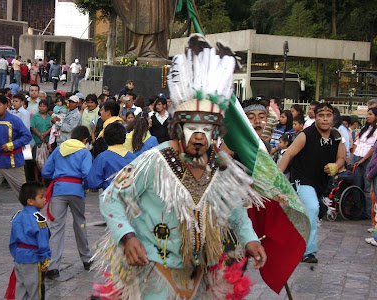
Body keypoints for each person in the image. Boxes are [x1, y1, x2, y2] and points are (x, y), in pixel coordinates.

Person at [92, 36, 266, 299]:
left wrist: (250, 239)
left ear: (216, 132)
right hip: (153, 270)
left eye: (206, 130)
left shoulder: (221, 167)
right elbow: (112, 197)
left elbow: (235, 210)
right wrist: (127, 237)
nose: (199, 136)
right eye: (193, 129)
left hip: (199, 276)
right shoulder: (154, 161)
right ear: (178, 128)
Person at [278, 103, 346, 263]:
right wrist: (276, 176)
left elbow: (342, 157)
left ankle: (290, 244)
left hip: (320, 183)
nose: (324, 119)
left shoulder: (337, 136)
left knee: (304, 213)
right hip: (302, 180)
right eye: (321, 115)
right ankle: (308, 251)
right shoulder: (305, 135)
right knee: (312, 209)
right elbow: (288, 155)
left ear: (333, 118)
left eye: (328, 116)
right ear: (315, 117)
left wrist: (337, 165)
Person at [41, 126, 93, 279]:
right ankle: (86, 259)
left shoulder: (59, 149)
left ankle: (52, 266)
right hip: (76, 190)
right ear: (85, 139)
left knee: (56, 227)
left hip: (58, 190)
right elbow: (87, 173)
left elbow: (45, 171)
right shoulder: (85, 152)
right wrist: (86, 187)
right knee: (80, 223)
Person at [7, 182, 51, 300]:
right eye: (41, 197)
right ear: (30, 201)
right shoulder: (39, 219)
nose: (45, 199)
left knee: (20, 289)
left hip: (20, 258)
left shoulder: (17, 216)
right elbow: (43, 242)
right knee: (35, 291)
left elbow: (13, 241)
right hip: (33, 258)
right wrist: (45, 260)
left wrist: (17, 254)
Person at [87, 123, 135, 190]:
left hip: (110, 197)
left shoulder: (102, 157)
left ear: (105, 139)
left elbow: (93, 183)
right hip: (130, 197)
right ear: (124, 137)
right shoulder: (134, 157)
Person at [352, 108, 377, 219]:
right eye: (367, 114)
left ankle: (368, 213)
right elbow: (357, 143)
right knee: (356, 185)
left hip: (368, 159)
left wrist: (363, 159)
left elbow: (373, 148)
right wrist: (353, 158)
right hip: (357, 157)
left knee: (367, 187)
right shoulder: (364, 128)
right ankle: (358, 210)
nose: (367, 116)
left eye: (370, 114)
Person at [30, 100, 51, 182]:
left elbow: (51, 128)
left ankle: (43, 180)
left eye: (44, 106)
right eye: (40, 106)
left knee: (45, 161)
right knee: (36, 161)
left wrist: (44, 135)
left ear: (47, 107)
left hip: (46, 142)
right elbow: (32, 127)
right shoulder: (35, 116)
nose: (42, 108)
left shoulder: (50, 117)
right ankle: (36, 179)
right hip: (37, 141)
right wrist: (40, 135)